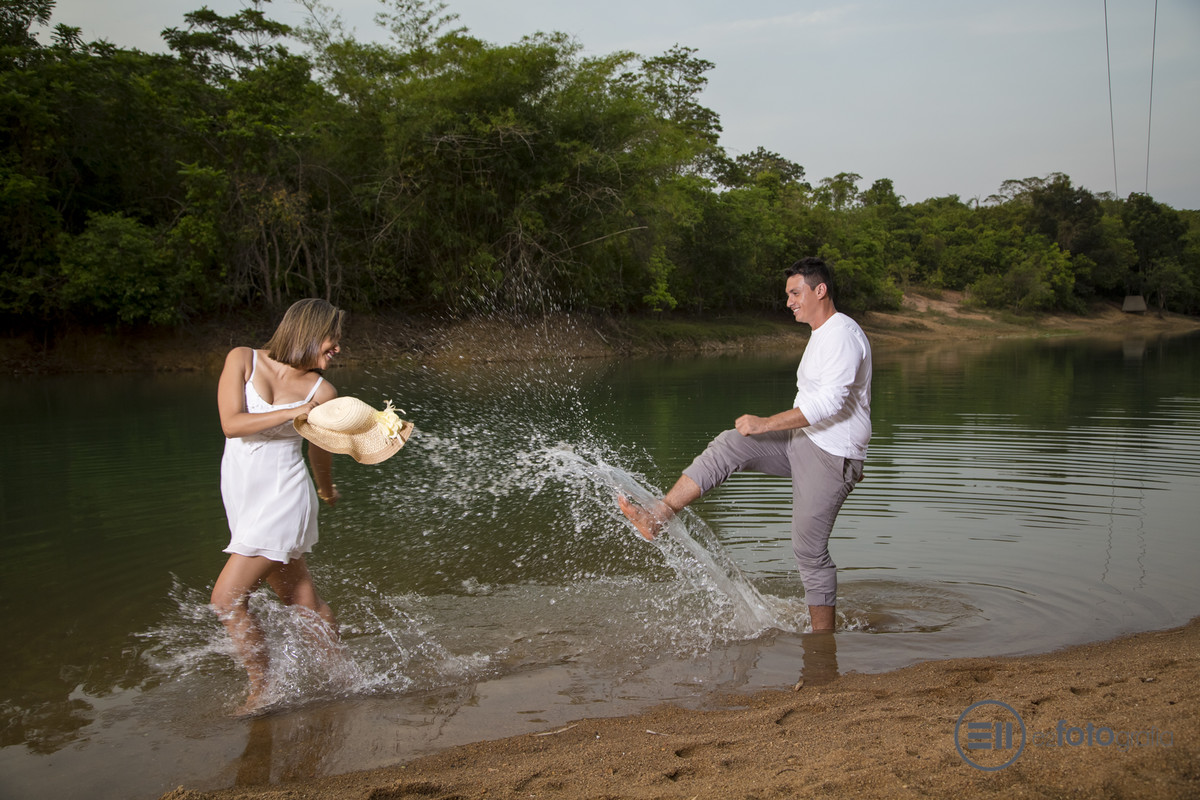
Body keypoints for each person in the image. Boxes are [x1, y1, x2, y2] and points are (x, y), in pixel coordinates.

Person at [618, 257, 872, 633]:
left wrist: (765, 423)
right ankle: (658, 515)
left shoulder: (842, 336)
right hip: (804, 442)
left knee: (808, 551)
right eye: (788, 294)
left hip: (831, 455)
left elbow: (828, 404)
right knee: (731, 443)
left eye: (794, 292)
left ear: (820, 290)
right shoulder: (823, 333)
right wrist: (762, 429)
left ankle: (822, 644)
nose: (789, 302)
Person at [210, 298, 344, 713]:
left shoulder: (324, 392)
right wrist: (296, 411)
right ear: (306, 331)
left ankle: (263, 691)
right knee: (301, 597)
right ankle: (347, 679)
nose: (337, 347)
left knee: (226, 599)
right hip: (245, 497)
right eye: (332, 337)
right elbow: (231, 424)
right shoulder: (242, 360)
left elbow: (322, 452)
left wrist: (325, 489)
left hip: (285, 498)